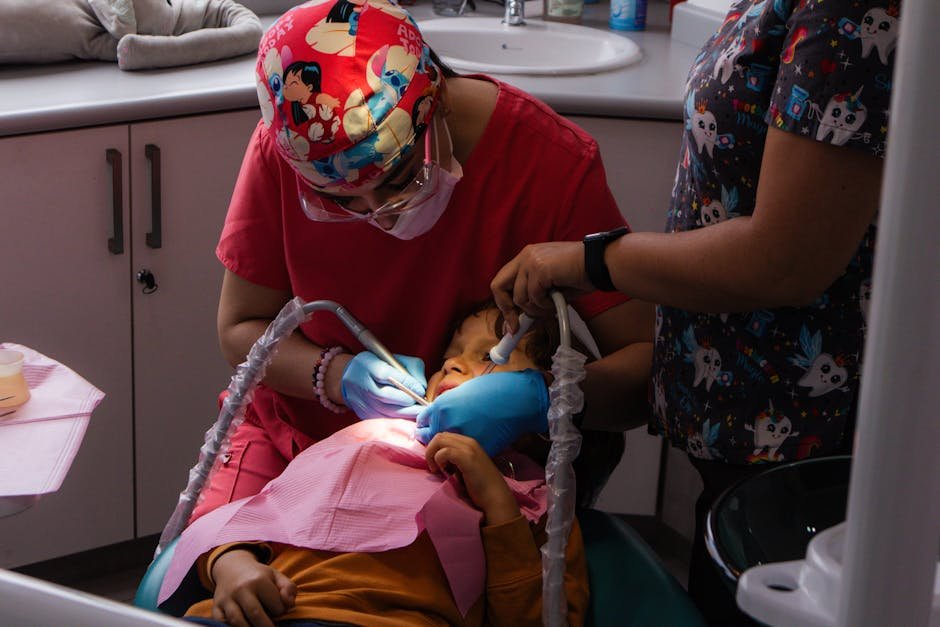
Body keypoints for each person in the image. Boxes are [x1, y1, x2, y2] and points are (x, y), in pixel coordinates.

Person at [489, 0, 901, 623]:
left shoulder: (852, 12)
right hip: (738, 422)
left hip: (803, 431)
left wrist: (591, 262)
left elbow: (785, 260)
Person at [196, 0, 653, 522]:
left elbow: (647, 367)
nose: (380, 218)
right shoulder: (293, 147)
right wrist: (334, 374)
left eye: (399, 182)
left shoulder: (549, 163)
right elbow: (240, 328)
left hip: (467, 479)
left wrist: (544, 397)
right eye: (344, 203)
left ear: (438, 107)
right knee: (214, 579)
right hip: (293, 446)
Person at [163, 305, 622, 627]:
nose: (454, 364)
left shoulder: (538, 503)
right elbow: (260, 513)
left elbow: (536, 619)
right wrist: (231, 564)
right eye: (451, 354)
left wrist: (497, 502)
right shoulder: (362, 441)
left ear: (541, 413)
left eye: (489, 356)